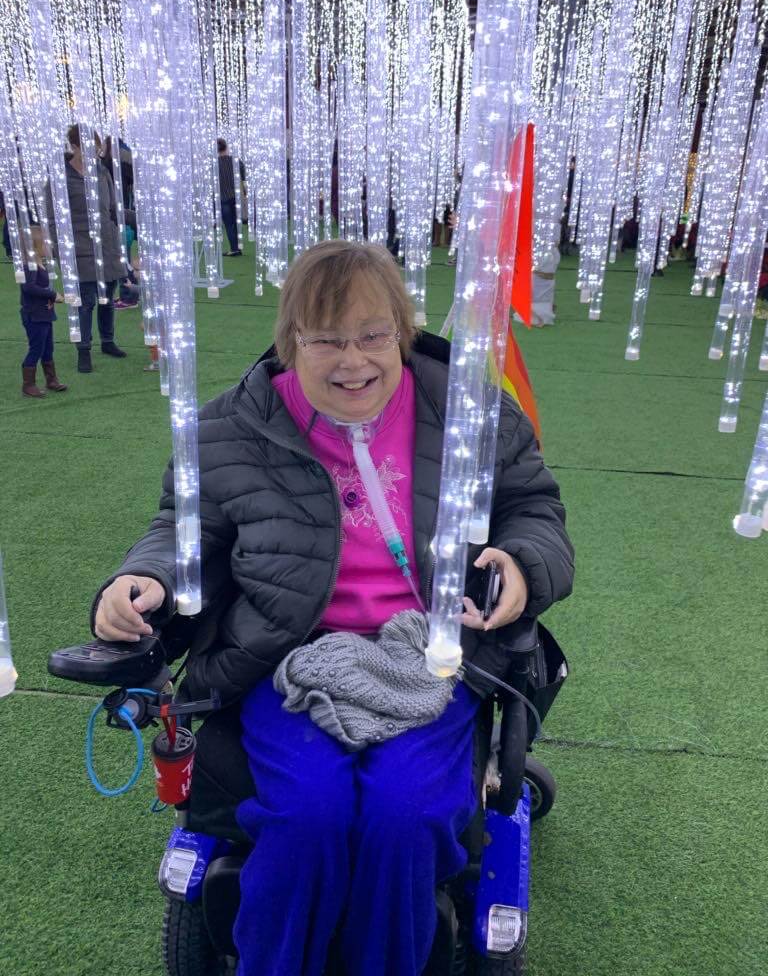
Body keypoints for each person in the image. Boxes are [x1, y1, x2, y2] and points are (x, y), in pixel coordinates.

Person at [92, 240, 574, 976]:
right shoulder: (233, 427)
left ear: (402, 334)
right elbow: (183, 528)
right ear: (292, 343)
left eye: (374, 335)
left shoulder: (471, 411)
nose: (354, 361)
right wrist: (144, 580)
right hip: (289, 659)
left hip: (432, 654)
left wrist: (521, 560)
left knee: (404, 817)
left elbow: (533, 508)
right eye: (326, 341)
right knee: (305, 815)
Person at [46, 123, 127, 373]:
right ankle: (84, 349)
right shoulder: (61, 177)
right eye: (89, 148)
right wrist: (60, 251)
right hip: (80, 248)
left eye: (97, 147)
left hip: (108, 246)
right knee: (86, 301)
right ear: (74, 147)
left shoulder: (102, 173)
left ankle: (107, 340)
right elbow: (53, 217)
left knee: (107, 299)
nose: (94, 152)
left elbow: (113, 209)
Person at [19, 225, 67, 398]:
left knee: (48, 348)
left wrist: (52, 298)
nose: (50, 246)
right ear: (36, 245)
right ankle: (28, 384)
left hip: (44, 314)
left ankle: (51, 379)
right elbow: (29, 288)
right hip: (34, 315)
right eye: (46, 243)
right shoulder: (30, 266)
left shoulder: (39, 264)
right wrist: (53, 295)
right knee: (36, 348)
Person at [217, 137, 241, 256]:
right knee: (235, 224)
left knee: (229, 225)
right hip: (235, 197)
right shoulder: (235, 160)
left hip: (223, 198)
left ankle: (234, 249)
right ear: (226, 147)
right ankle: (237, 247)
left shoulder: (214, 164)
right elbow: (243, 172)